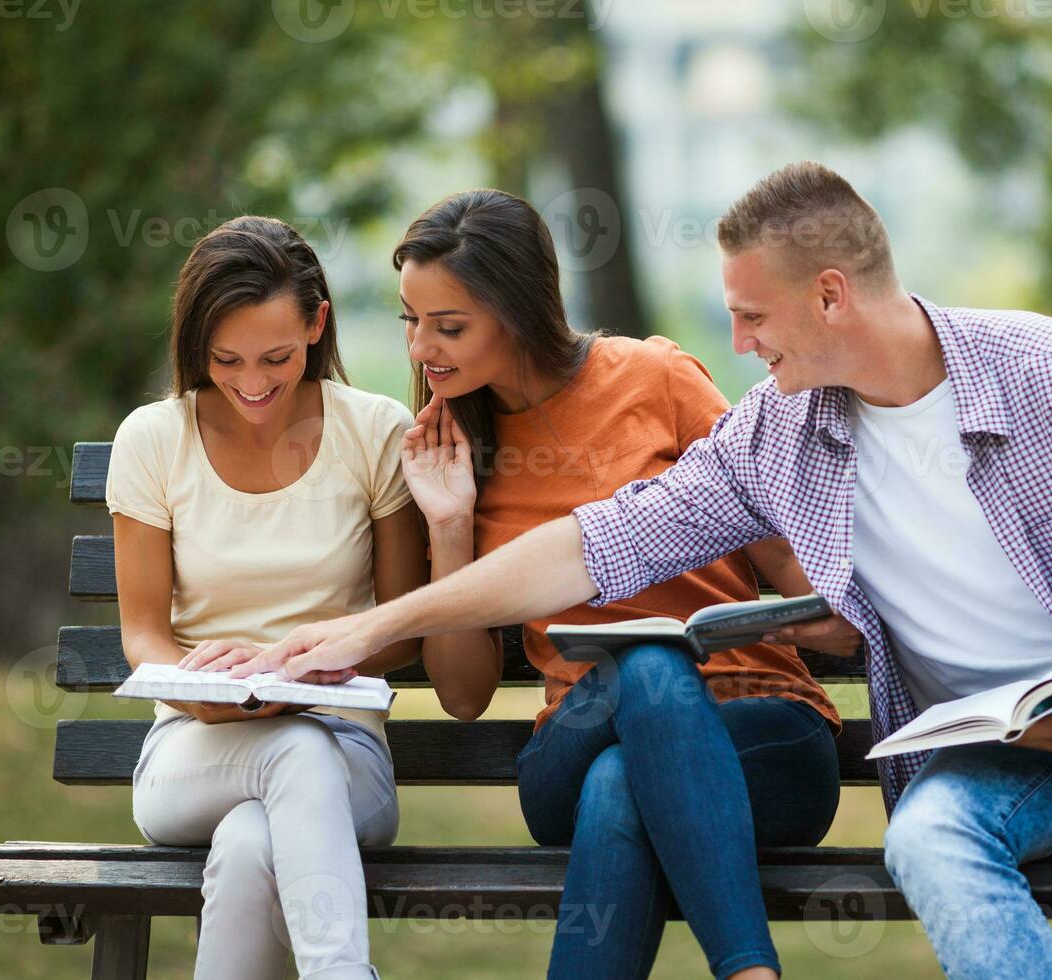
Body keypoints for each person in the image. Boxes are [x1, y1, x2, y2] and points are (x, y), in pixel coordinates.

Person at [235, 164, 1052, 978]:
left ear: (833, 296)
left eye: (753, 314)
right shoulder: (779, 436)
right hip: (1007, 742)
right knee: (927, 839)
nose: (739, 340)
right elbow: (592, 545)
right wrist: (363, 630)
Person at [299, 187, 844, 980]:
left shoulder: (659, 380)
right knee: (646, 672)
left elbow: (788, 565)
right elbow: (462, 694)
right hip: (574, 740)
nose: (421, 348)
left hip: (763, 732)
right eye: (410, 322)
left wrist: (837, 601)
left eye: (448, 327)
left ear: (518, 312)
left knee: (624, 779)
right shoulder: (452, 447)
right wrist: (449, 524)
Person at [107, 216, 427, 979]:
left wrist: (301, 668)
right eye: (226, 360)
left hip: (346, 752)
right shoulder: (154, 439)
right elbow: (145, 638)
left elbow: (404, 632)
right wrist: (203, 691)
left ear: (317, 324)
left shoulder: (374, 430)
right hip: (192, 748)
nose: (252, 382)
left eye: (276, 357)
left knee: (254, 837)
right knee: (286, 753)